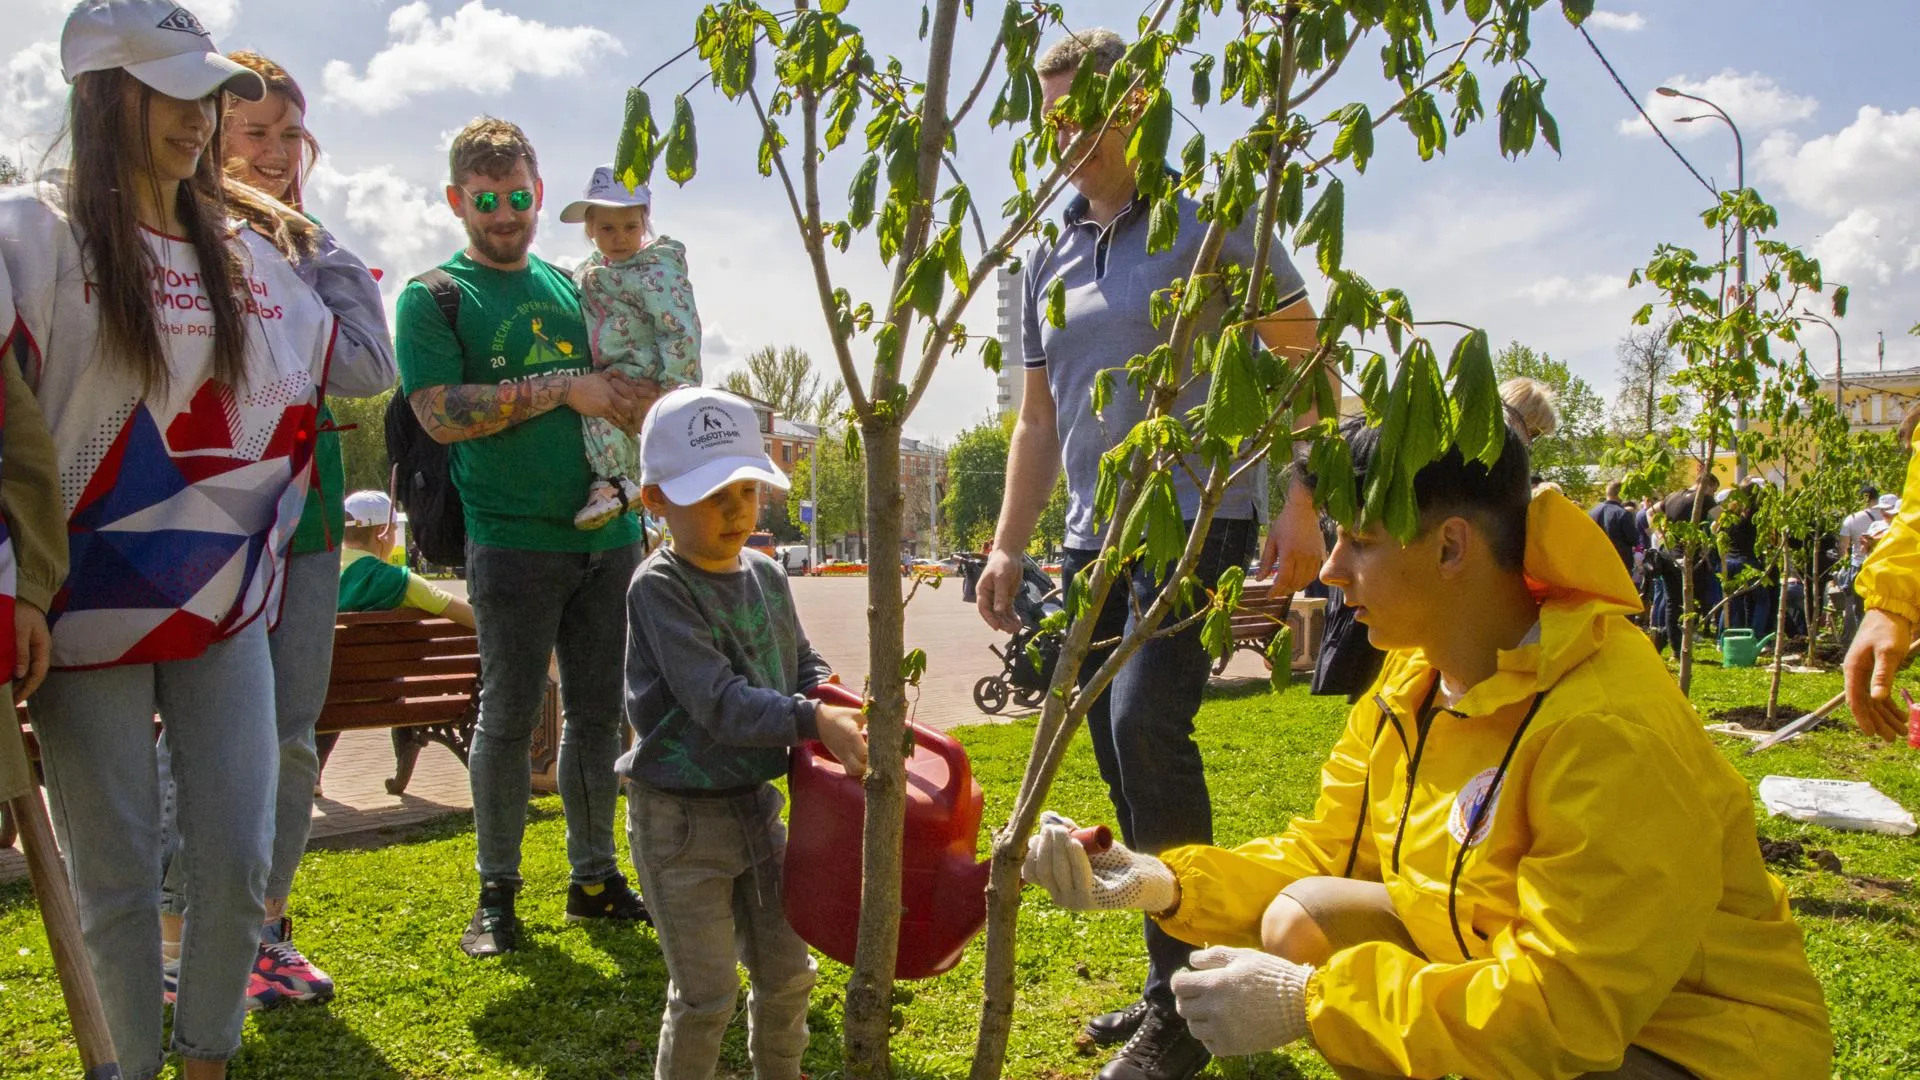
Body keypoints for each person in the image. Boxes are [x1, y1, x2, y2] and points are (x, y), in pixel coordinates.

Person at [1024, 415, 1832, 1080]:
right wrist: (1160, 883)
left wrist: (1311, 1004)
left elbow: (1563, 1010)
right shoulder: (1411, 680)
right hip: (1519, 984)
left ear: (1450, 547)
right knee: (1303, 914)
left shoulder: (1606, 726)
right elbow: (1324, 854)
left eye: (1360, 542)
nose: (1331, 572)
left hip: (1688, 1044)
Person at [974, 28, 1324, 1080]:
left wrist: (1301, 508)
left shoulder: (1212, 218)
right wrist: (1006, 545)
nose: (1068, 134)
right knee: (1118, 754)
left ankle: (1188, 1010)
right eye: (1053, 116)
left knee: (1147, 730)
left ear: (1143, 107)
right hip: (1092, 538)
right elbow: (1037, 421)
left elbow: (1304, 365)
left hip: (1195, 525)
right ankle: (1172, 977)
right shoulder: (1051, 249)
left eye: (1089, 112)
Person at [1, 2, 338, 1075]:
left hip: (218, 600)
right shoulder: (31, 234)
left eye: (209, 94)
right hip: (76, 614)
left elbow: (345, 373)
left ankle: (206, 1059)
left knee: (237, 856)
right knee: (117, 875)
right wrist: (12, 584)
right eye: (172, 91)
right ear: (101, 92)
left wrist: (304, 230)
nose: (200, 117)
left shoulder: (249, 250)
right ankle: (124, 1068)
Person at [153, 46, 396, 1013]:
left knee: (293, 737)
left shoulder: (311, 247)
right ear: (209, 137)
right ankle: (175, 941)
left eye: (290, 135)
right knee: (201, 736)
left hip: (305, 522)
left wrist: (303, 239)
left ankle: (262, 930)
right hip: (202, 514)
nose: (272, 153)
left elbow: (367, 368)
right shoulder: (171, 233)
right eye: (251, 133)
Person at [396, 116, 654, 957]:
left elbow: (615, 382)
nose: (505, 215)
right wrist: (563, 388)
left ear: (539, 196)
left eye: (517, 197)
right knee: (506, 719)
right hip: (510, 541)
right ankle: (497, 893)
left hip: (610, 533)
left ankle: (593, 876)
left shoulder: (573, 284)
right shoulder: (434, 296)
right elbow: (440, 415)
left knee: (596, 715)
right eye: (486, 200)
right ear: (456, 202)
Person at [620, 386, 869, 1080]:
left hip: (758, 811)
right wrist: (810, 718)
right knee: (706, 996)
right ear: (656, 500)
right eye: (711, 493)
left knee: (788, 976)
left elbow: (799, 661)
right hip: (678, 823)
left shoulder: (764, 573)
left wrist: (832, 695)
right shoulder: (659, 587)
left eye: (747, 489)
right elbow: (720, 704)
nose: (735, 509)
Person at [559, 165, 701, 529]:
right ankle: (629, 496)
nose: (620, 237)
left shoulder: (655, 273)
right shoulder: (588, 271)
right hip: (610, 366)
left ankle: (615, 483)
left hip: (643, 366)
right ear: (589, 229)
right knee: (599, 414)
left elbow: (679, 329)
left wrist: (675, 392)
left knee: (608, 412)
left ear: (645, 225)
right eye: (607, 228)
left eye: (630, 227)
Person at [336, 490, 475, 627]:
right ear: (381, 532)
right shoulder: (399, 582)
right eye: (393, 529)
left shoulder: (322, 579)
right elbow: (476, 619)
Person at [1589, 480, 1637, 572]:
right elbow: (1633, 539)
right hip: (1619, 562)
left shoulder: (1592, 512)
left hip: (1598, 562)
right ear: (1621, 493)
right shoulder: (1623, 514)